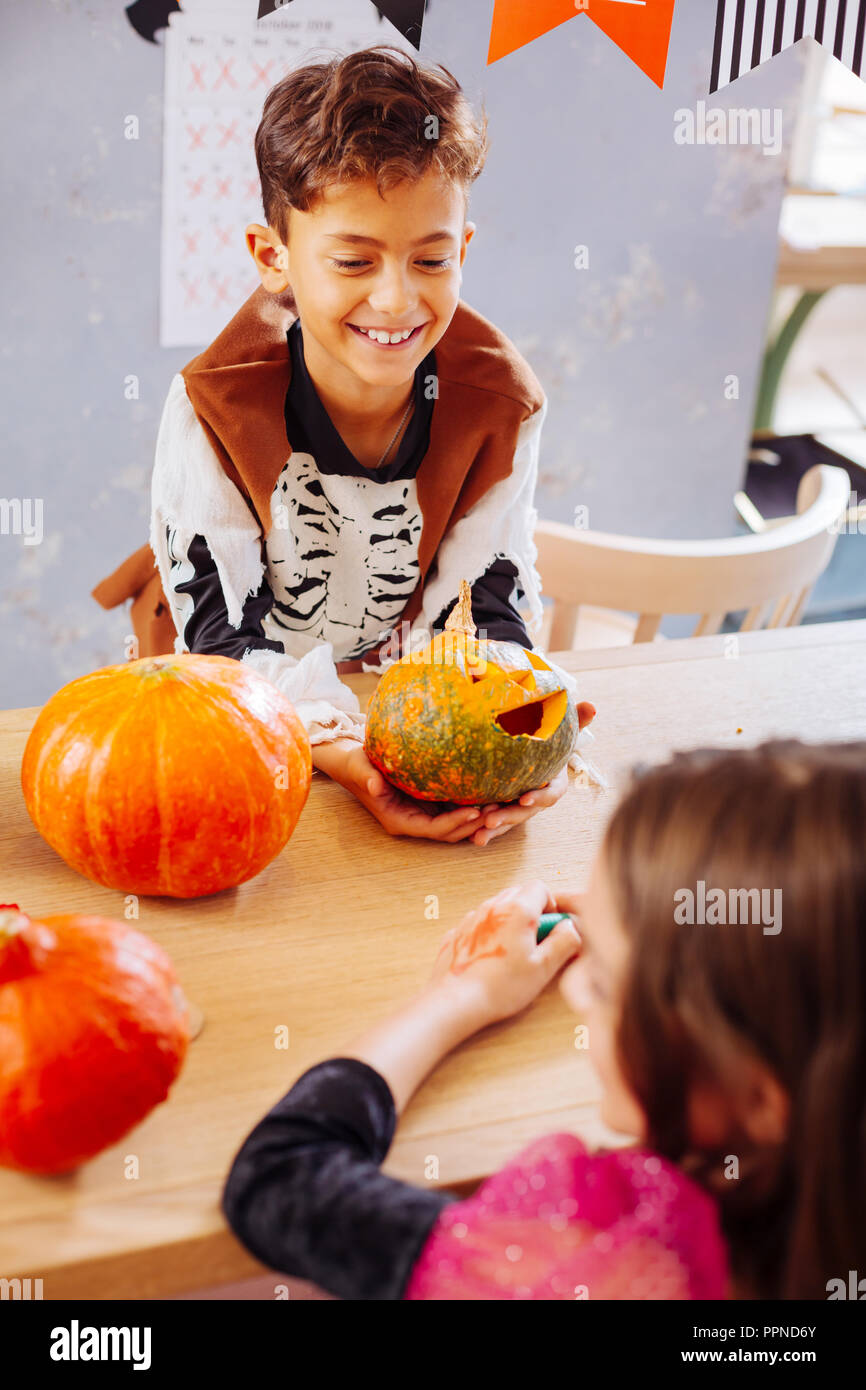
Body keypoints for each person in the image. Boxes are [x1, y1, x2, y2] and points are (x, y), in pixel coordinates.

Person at [91, 44, 596, 845]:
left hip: (382, 703)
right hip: (222, 700)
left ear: (463, 249)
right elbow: (222, 642)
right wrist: (342, 754)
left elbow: (486, 599)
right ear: (274, 258)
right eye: (353, 260)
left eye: (431, 258)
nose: (396, 299)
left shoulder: (503, 404)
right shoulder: (211, 404)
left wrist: (512, 724)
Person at [221, 739, 866, 1300]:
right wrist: (647, 921)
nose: (581, 989)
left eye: (608, 982)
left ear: (762, 1101)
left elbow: (282, 1176)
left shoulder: (583, 1268)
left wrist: (456, 997)